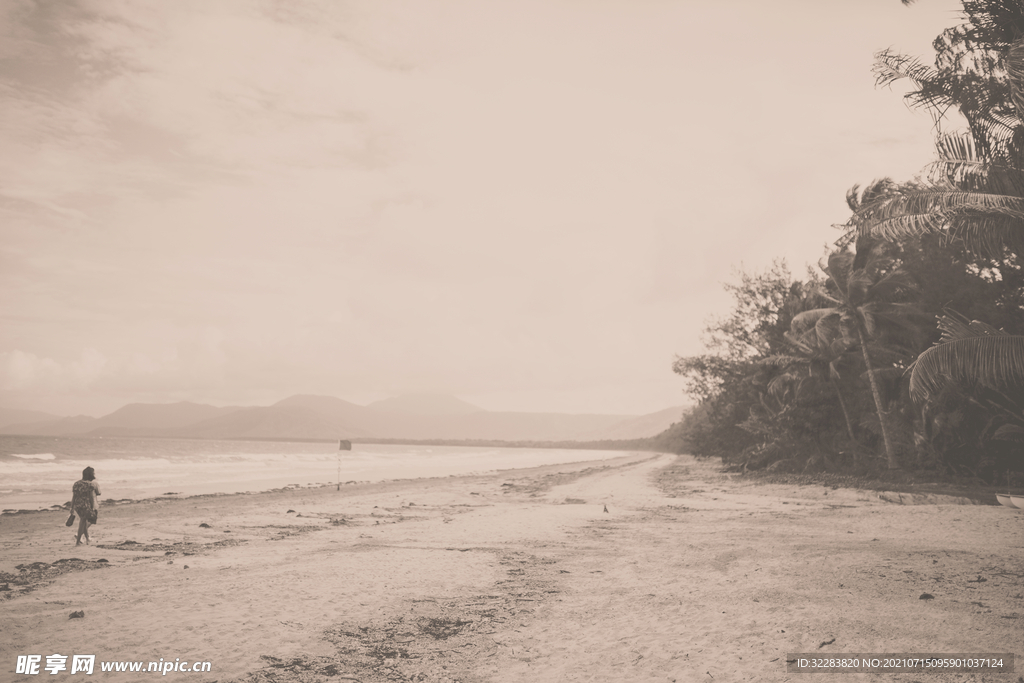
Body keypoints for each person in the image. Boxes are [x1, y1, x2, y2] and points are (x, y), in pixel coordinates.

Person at [71, 467, 101, 546]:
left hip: (77, 505)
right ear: (90, 475)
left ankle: (87, 539)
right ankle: (78, 541)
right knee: (84, 521)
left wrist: (72, 508)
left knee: (83, 520)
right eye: (93, 473)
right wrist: (92, 507)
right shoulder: (90, 484)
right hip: (86, 505)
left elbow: (74, 496)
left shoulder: (76, 483)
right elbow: (91, 497)